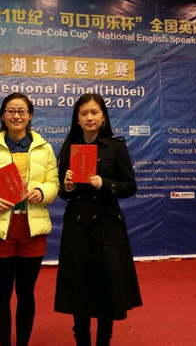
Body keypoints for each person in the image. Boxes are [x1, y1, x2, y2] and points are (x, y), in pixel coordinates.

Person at [0, 92, 59, 346]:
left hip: (32, 229)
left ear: (30, 116)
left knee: (26, 293)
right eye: (10, 111)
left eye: (21, 111)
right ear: (2, 116)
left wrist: (42, 192)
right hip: (1, 230)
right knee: (2, 293)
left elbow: (54, 183)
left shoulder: (44, 148)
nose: (16, 116)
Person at [54, 93, 142, 346]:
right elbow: (62, 192)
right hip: (78, 226)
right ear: (77, 119)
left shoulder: (116, 147)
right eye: (84, 113)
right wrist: (68, 186)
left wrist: (106, 183)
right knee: (79, 287)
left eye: (94, 112)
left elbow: (129, 186)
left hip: (108, 225)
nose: (89, 118)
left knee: (107, 287)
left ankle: (104, 341)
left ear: (103, 117)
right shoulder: (69, 147)